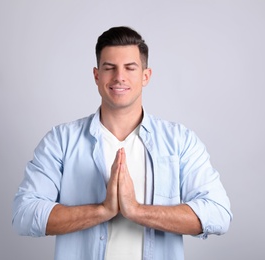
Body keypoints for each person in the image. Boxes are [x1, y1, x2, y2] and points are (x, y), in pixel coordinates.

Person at [12, 26, 232, 260]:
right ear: (97, 76)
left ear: (145, 76)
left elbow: (218, 214)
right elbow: (24, 215)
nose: (119, 77)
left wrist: (137, 211)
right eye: (109, 68)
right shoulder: (61, 141)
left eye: (130, 68)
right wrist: (102, 210)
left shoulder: (180, 142)